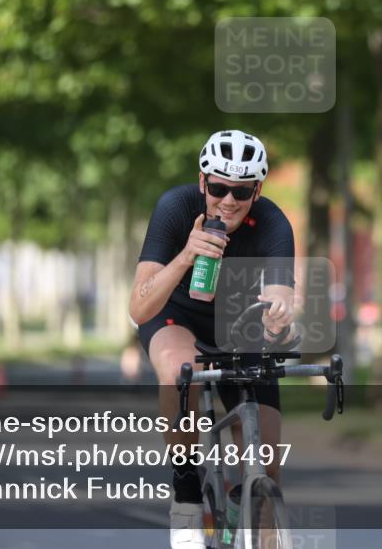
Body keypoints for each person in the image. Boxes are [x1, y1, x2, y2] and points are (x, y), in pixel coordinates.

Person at [128, 130, 296, 549]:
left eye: (241, 191)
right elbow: (139, 307)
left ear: (257, 190)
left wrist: (278, 318)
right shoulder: (176, 207)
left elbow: (281, 295)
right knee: (179, 370)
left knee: (267, 465)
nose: (229, 200)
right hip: (175, 315)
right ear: (203, 182)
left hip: (238, 325)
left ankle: (245, 506)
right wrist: (186, 254)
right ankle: (186, 488)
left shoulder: (273, 222)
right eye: (219, 187)